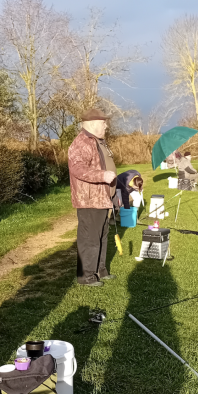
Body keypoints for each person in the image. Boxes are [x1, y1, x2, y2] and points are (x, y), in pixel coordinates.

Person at [68, 107, 117, 287]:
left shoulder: (98, 141)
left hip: (103, 198)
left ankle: (100, 270)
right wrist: (102, 176)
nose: (106, 126)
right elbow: (78, 168)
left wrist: (114, 191)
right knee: (89, 238)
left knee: (102, 236)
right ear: (93, 123)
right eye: (103, 122)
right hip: (90, 200)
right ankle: (85, 276)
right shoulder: (82, 142)